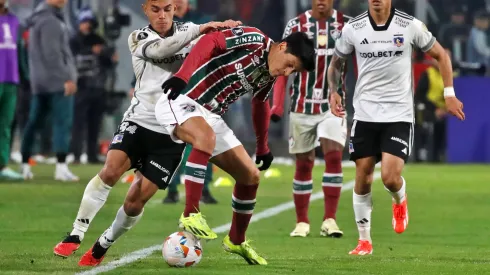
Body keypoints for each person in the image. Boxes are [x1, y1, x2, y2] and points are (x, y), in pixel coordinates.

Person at [78, 22, 315, 267]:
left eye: (293, 71)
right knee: (204, 139)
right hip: (181, 99)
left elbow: (259, 105)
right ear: (282, 46)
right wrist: (182, 75)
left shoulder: (268, 73)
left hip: (210, 116)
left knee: (251, 176)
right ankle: (191, 213)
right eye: (289, 65)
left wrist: (263, 146)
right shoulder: (254, 39)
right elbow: (210, 41)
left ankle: (236, 239)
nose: (286, 73)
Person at [53, 0, 239, 261]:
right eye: (155, 9)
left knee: (136, 200)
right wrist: (201, 31)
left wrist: (231, 31)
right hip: (139, 122)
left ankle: (102, 245)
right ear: (145, 10)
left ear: (175, 9)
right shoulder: (139, 37)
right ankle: (76, 232)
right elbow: (163, 50)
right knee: (110, 170)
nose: (161, 15)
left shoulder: (193, 32)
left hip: (173, 130)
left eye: (167, 9)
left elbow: (220, 47)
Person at [327, 0, 465, 255]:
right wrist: (334, 91)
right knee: (363, 174)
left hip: (398, 114)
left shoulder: (409, 25)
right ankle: (364, 240)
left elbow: (441, 55)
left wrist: (449, 94)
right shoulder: (353, 28)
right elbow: (336, 62)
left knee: (389, 177)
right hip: (365, 113)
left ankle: (400, 199)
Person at [271, 0, 350, 238]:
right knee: (304, 164)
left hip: (332, 105)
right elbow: (283, 66)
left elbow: (359, 62)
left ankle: (330, 220)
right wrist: (276, 104)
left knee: (334, 156)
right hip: (301, 105)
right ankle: (302, 222)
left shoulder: (346, 25)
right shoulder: (296, 25)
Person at [162, 0, 217, 204]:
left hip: (200, 89)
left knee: (204, 138)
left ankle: (204, 188)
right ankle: (172, 189)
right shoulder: (164, 23)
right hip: (170, 90)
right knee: (173, 140)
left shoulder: (202, 23)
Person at [21, 0, 78, 181]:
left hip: (39, 81)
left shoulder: (37, 18)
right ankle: (61, 167)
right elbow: (53, 53)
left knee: (34, 122)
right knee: (62, 122)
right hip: (56, 81)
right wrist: (67, 78)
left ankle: (24, 164)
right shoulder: (50, 20)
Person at [70, 7, 118, 164]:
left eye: (89, 22)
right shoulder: (73, 40)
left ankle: (91, 154)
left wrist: (108, 55)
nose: (87, 25)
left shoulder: (99, 39)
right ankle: (76, 154)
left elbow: (109, 63)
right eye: (84, 22)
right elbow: (72, 59)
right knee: (78, 123)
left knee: (94, 123)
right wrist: (92, 51)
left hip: (98, 88)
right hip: (81, 87)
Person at [0, 0, 25, 180]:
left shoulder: (14, 20)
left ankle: (2, 166)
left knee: (5, 125)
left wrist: (24, 75)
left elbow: (19, 51)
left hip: (10, 78)